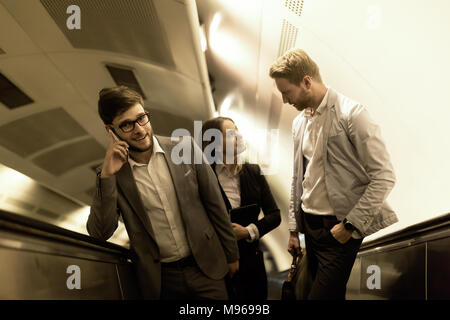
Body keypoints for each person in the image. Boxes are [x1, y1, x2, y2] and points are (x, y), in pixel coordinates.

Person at [87, 86, 239, 300]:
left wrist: (231, 254)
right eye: (127, 125)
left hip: (206, 268)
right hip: (161, 281)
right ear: (110, 130)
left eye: (141, 118)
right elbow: (99, 233)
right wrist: (107, 175)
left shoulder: (185, 148)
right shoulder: (114, 175)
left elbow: (215, 205)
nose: (139, 129)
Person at [269, 49, 398, 299]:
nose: (285, 100)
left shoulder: (352, 114)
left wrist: (349, 225)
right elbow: (298, 179)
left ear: (307, 81)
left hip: (338, 230)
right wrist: (294, 230)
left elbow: (384, 176)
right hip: (310, 229)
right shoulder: (299, 123)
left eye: (287, 93)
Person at [201, 117, 281, 300]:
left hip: (252, 263)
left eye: (237, 130)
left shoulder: (253, 171)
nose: (239, 136)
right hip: (218, 264)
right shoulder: (205, 176)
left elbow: (275, 215)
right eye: (231, 134)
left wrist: (247, 231)